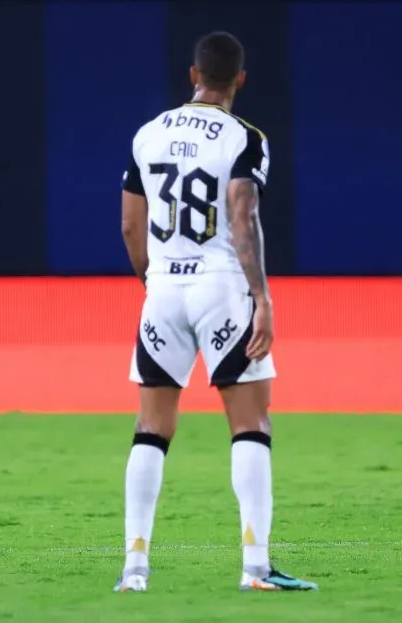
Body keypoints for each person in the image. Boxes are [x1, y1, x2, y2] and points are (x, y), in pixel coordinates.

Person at [115, 31, 317, 592]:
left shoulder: (148, 133)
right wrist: (262, 299)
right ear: (240, 80)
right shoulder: (244, 137)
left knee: (151, 429)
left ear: (193, 75)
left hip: (164, 288)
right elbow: (242, 211)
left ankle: (135, 569)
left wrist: (154, 281)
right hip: (222, 285)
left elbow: (132, 225)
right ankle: (255, 567)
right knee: (250, 425)